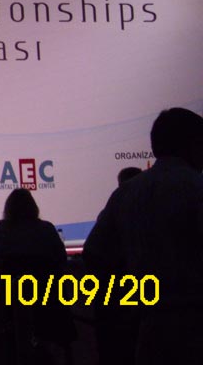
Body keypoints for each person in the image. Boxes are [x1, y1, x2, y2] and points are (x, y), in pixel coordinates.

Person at [83, 107, 203, 365]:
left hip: (146, 324)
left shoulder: (126, 193)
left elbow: (95, 253)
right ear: (192, 144)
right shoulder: (195, 187)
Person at [0, 188, 66, 269]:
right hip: (45, 275)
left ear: (8, 208)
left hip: (11, 276)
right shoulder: (47, 228)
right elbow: (61, 257)